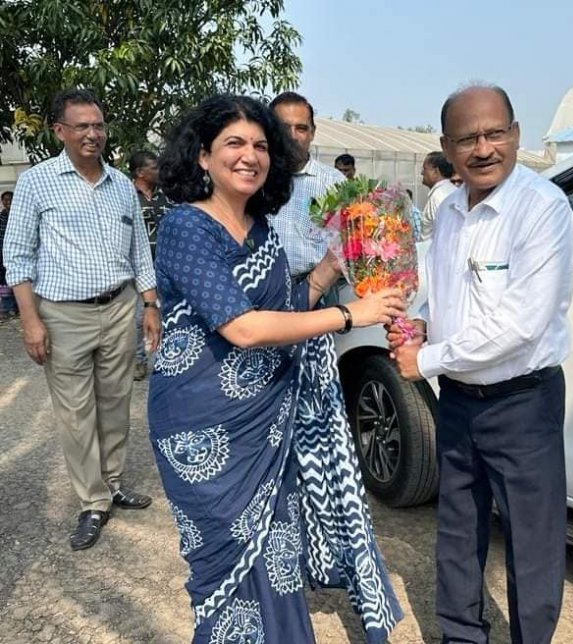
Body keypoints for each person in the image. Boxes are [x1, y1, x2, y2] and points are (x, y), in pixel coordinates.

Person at [150, 94, 404, 643]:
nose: (250, 156)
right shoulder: (185, 228)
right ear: (202, 156)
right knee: (225, 571)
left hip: (268, 426)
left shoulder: (262, 229)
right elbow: (242, 327)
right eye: (234, 144)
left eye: (261, 145)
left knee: (279, 562)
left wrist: (335, 266)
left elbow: (283, 309)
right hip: (203, 432)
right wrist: (345, 315)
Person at [389, 85, 573, 644]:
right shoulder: (448, 208)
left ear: (516, 134)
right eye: (468, 137)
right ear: (447, 146)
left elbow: (521, 325)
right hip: (458, 402)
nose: (483, 148)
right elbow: (441, 292)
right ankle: (460, 635)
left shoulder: (541, 209)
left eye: (495, 133)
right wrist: (420, 322)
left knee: (532, 543)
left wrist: (426, 357)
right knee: (456, 529)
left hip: (523, 403)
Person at [2, 88, 159, 551]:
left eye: (98, 125)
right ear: (60, 131)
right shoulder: (37, 183)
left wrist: (149, 304)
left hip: (118, 309)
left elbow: (139, 252)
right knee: (75, 412)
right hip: (63, 314)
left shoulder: (120, 187)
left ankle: (111, 484)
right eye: (82, 126)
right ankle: (92, 501)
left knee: (115, 405)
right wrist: (31, 321)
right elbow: (17, 256)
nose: (93, 134)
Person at [269, 91, 345, 280]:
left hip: (317, 289)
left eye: (301, 128)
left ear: (312, 133)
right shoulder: (254, 179)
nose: (292, 136)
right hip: (261, 291)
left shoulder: (333, 183)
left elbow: (347, 242)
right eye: (283, 127)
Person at [128, 149, 172, 380]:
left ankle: (167, 358)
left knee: (168, 314)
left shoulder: (166, 195)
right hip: (139, 270)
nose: (158, 171)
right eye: (153, 167)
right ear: (139, 172)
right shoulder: (126, 195)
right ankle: (139, 360)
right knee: (139, 318)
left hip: (167, 267)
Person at [420, 150, 456, 240]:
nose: (422, 173)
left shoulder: (438, 196)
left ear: (436, 172)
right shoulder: (453, 191)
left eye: (425, 169)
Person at [0, 190, 19, 319]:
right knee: (4, 281)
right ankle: (8, 307)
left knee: (18, 279)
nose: (8, 202)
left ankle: (19, 307)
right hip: (2, 254)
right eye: (5, 200)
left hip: (16, 253)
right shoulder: (1, 217)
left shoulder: (19, 217)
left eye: (10, 199)